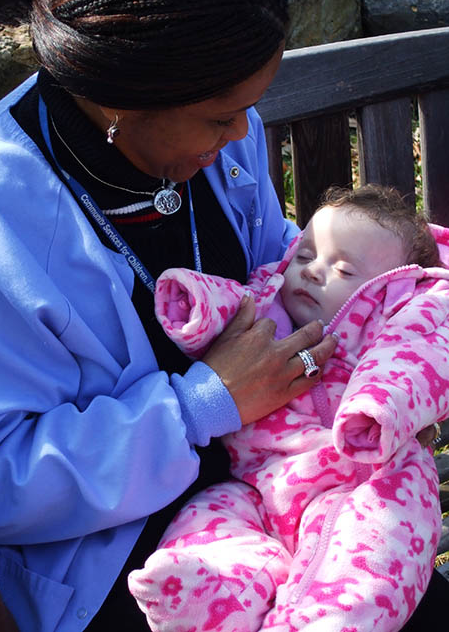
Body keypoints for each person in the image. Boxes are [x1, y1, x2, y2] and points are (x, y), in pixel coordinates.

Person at [0, 0, 341, 632]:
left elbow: (271, 277)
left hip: (272, 486)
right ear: (121, 98)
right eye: (221, 117)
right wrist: (201, 406)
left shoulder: (219, 139)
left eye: (249, 110)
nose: (240, 136)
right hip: (119, 564)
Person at [129, 185, 449, 632]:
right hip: (260, 486)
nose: (313, 272)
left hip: (366, 481)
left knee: (371, 555)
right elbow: (233, 303)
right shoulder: (267, 306)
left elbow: (417, 357)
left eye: (343, 269)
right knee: (211, 521)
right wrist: (195, 304)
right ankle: (206, 591)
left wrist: (380, 406)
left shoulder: (404, 316)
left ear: (388, 288)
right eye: (304, 256)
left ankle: (325, 621)